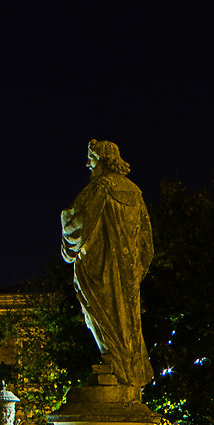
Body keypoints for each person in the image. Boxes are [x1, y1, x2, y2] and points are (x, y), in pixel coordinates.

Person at [60, 141, 156, 391]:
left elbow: (77, 222)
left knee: (100, 315)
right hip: (127, 275)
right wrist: (135, 270)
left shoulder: (100, 188)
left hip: (101, 271)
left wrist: (64, 220)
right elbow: (147, 244)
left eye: (91, 159)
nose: (88, 164)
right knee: (127, 321)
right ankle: (125, 366)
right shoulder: (135, 193)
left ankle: (114, 362)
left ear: (101, 160)